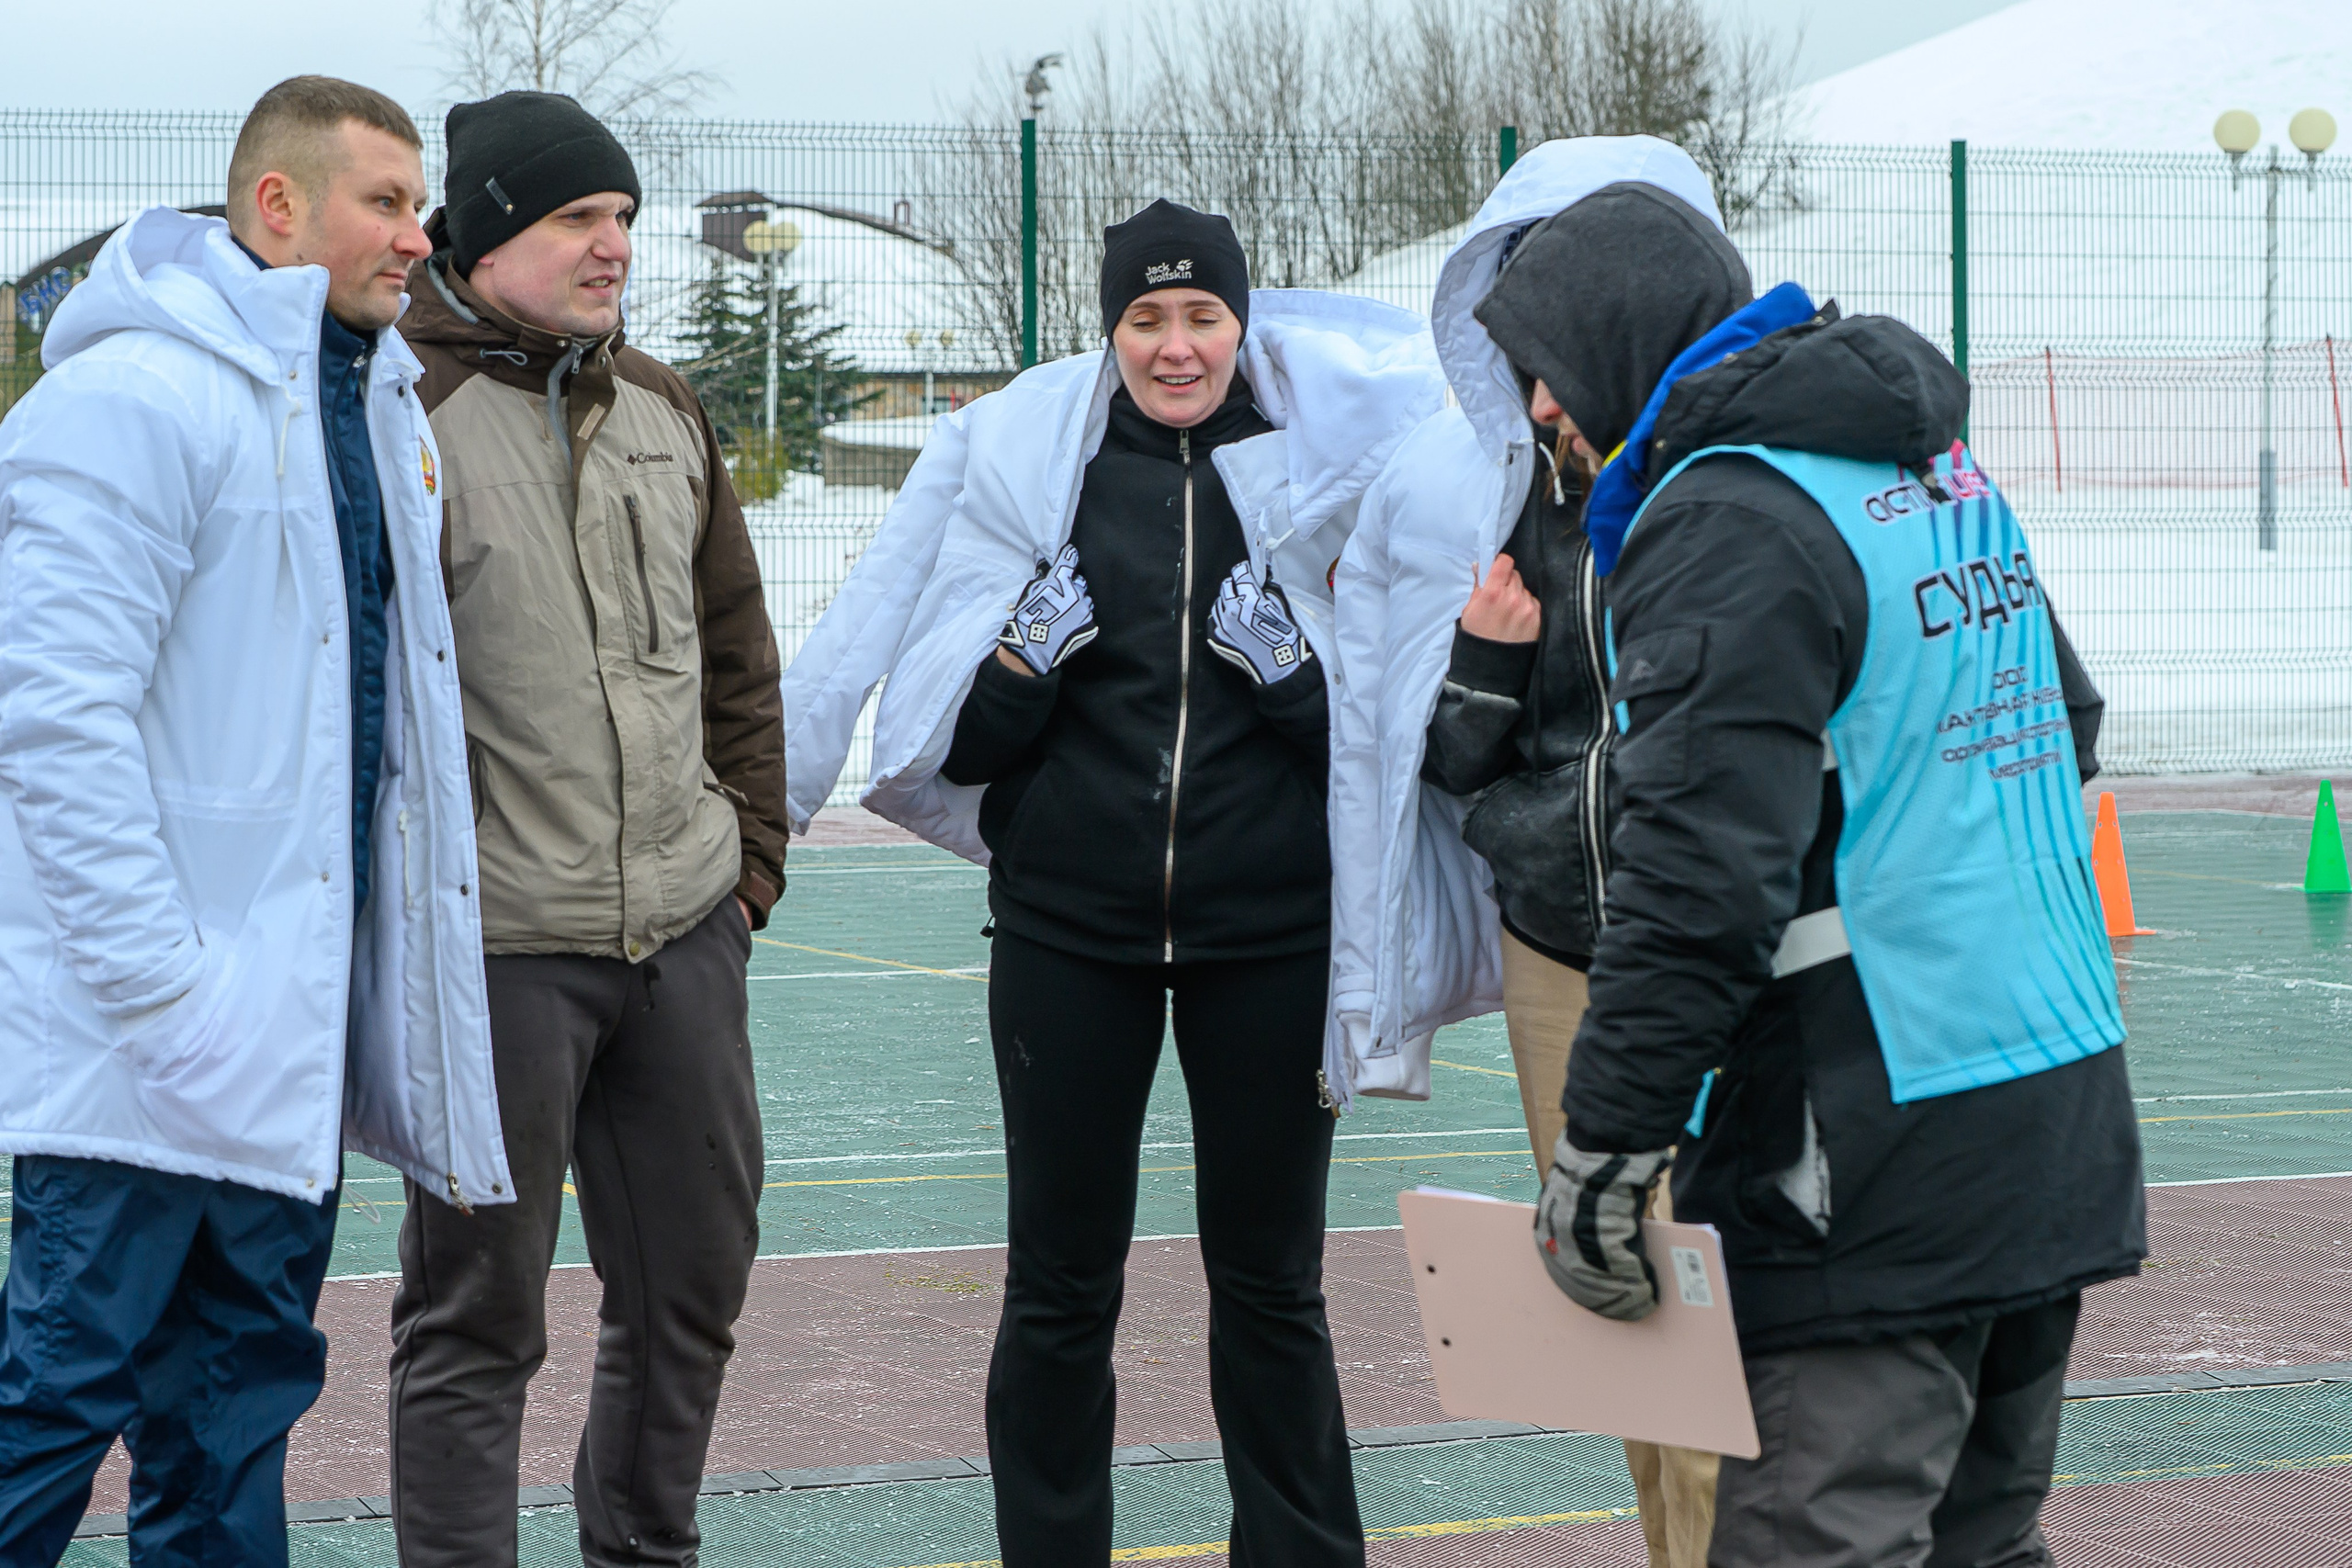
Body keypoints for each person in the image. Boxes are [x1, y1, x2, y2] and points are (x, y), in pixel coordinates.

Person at [1487, 182, 2144, 1566]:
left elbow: (1700, 886)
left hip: (1871, 1156)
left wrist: (1607, 1152)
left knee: (1813, 1542)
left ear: (1614, 340)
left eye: (1542, 365)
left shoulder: (1727, 517)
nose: (1540, 407)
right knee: (1979, 1542)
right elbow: (2063, 725)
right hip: (2047, 1106)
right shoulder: (1928, 469)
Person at [785, 201, 1442, 1566]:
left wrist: (1296, 679)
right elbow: (956, 745)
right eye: (1145, 317)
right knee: (1060, 1288)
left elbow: (1378, 754)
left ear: (1242, 325)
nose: (1176, 345)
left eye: (1202, 314)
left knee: (1272, 1288)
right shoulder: (1046, 477)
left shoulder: (1321, 476)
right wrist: (1021, 663)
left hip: (1268, 939)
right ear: (1109, 331)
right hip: (1069, 937)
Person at [0, 76, 505, 1562]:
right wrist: (165, 989)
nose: (420, 237)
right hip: (142, 1051)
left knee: (232, 1423)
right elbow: (53, 716)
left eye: (422, 206)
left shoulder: (372, 407)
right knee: (53, 1403)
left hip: (279, 1046)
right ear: (276, 205)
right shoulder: (131, 400)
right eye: (386, 202)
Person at [386, 92, 789, 1568]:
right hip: (497, 949)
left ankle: (642, 1552)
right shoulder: (396, 411)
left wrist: (742, 872)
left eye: (622, 219)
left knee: (692, 1289)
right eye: (577, 220)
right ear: (489, 232)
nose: (614, 246)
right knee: (477, 1315)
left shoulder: (667, 406)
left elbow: (738, 651)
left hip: (682, 931)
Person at [1325, 135, 1730, 1568]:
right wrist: (1488, 667)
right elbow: (1434, 757)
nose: (1548, 383)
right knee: (1622, 1292)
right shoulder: (1478, 486)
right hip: (1560, 939)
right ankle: (1670, 1546)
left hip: (1720, 943)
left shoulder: (1740, 484)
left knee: (1732, 1295)